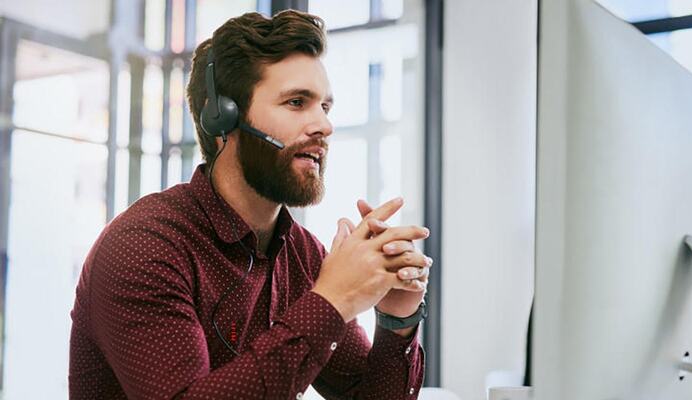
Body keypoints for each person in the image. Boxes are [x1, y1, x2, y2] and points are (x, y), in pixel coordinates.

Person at [69, 10, 431, 399]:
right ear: (224, 116)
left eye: (325, 107)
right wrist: (333, 299)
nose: (325, 126)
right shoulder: (145, 246)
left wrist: (398, 318)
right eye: (296, 102)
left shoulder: (302, 256)